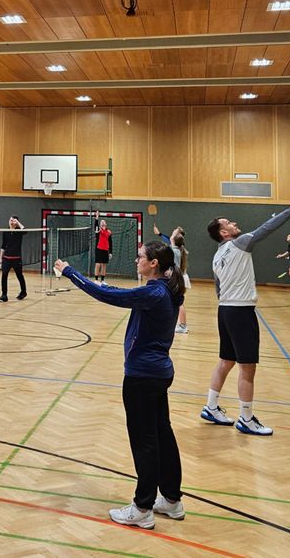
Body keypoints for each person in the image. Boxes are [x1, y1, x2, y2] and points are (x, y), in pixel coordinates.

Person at [54, 241, 185, 530]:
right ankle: (172, 500)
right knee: (162, 435)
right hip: (158, 373)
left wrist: (71, 273)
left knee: (145, 442)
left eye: (140, 257)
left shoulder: (154, 292)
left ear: (153, 264)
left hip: (143, 376)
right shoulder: (166, 289)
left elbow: (107, 293)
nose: (137, 260)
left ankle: (142, 508)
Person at [203, 199, 290, 435]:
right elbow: (267, 228)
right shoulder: (240, 243)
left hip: (224, 310)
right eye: (229, 222)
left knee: (226, 360)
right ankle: (246, 419)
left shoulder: (217, 257)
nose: (234, 223)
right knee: (247, 366)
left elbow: (218, 289)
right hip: (240, 311)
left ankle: (211, 406)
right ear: (224, 232)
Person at [153, 224, 190, 333]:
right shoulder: (177, 249)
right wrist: (159, 233)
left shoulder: (174, 250)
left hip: (176, 278)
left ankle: (183, 326)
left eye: (174, 231)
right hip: (178, 277)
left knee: (179, 302)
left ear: (176, 236)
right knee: (173, 301)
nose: (172, 231)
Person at [0, 215, 27, 302]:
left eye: (13, 220)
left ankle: (23, 292)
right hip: (6, 258)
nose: (11, 222)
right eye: (10, 220)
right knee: (4, 275)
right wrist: (0, 258)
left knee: (19, 275)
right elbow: (3, 246)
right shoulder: (6, 231)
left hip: (16, 259)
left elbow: (25, 230)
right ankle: (4, 295)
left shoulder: (19, 231)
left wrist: (18, 223)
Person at [93, 214, 112, 284]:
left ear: (106, 224)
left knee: (104, 265)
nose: (103, 223)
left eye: (104, 222)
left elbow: (110, 243)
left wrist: (110, 252)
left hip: (105, 250)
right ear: (100, 225)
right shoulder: (98, 231)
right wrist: (97, 218)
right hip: (99, 249)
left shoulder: (109, 232)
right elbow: (95, 226)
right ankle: (96, 280)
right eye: (101, 222)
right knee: (98, 264)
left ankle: (102, 280)